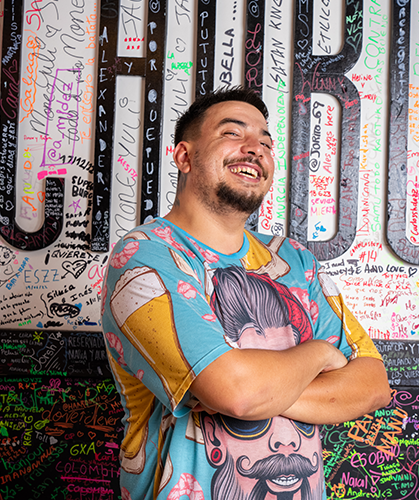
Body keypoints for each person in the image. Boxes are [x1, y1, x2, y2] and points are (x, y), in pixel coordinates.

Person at [101, 87, 391, 500]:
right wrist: (320, 354)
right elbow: (237, 394)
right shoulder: (144, 257)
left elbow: (373, 385)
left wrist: (257, 392)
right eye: (232, 133)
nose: (255, 148)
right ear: (184, 156)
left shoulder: (295, 261)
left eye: (266, 142)